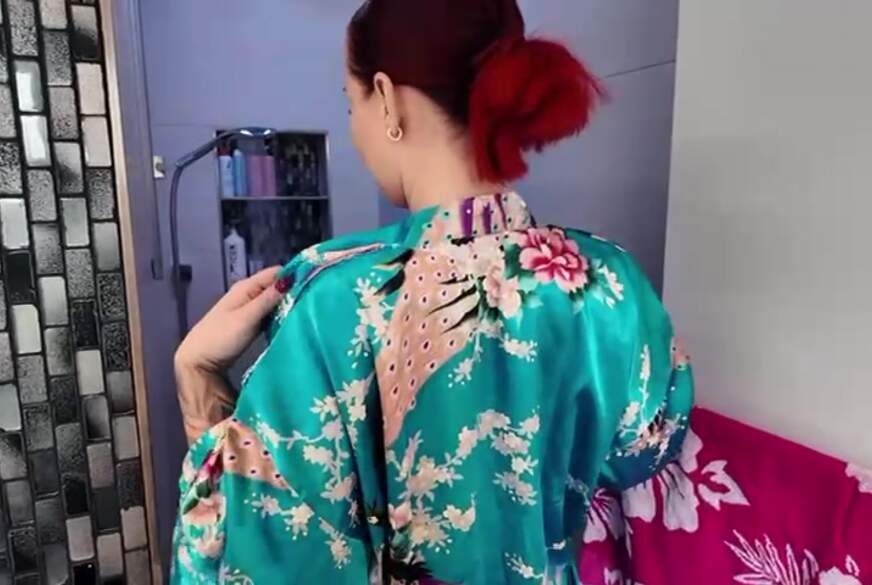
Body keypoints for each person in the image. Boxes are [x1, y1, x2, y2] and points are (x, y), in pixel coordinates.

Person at [170, 1, 694, 583]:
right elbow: (642, 453)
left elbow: (271, 538)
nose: (355, 128)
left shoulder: (338, 302)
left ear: (387, 99)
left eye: (351, 103)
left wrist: (197, 376)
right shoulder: (609, 281)